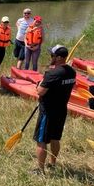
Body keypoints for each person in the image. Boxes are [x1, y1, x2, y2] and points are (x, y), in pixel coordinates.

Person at [33, 45, 76, 175]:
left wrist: (41, 82)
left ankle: (40, 170)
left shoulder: (52, 74)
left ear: (58, 58)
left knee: (41, 141)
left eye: (52, 55)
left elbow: (40, 92)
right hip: (61, 110)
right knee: (55, 138)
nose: (50, 57)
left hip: (48, 111)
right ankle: (52, 163)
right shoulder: (71, 71)